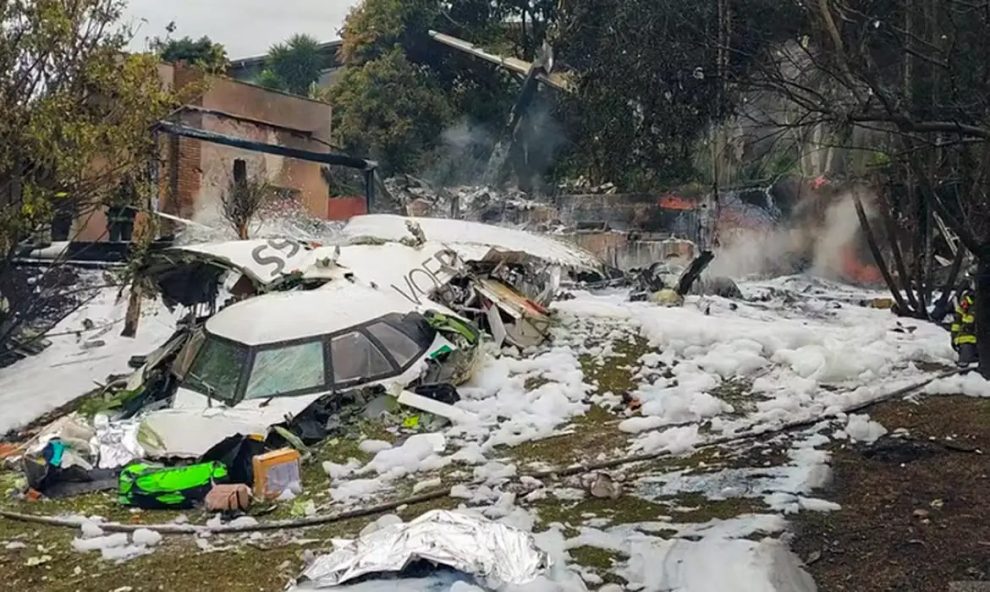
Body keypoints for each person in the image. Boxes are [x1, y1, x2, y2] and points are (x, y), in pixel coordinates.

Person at [951, 281, 978, 367]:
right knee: (964, 368)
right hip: (968, 340)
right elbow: (958, 320)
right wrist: (954, 336)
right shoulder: (967, 299)